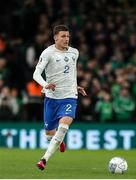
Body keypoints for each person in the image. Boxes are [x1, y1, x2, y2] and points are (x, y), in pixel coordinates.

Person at [33, 25, 87, 170]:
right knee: (49, 135)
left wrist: (74, 86)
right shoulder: (48, 53)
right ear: (55, 37)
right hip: (51, 98)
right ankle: (58, 140)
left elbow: (71, 73)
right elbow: (36, 74)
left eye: (68, 36)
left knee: (63, 127)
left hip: (69, 96)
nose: (66, 39)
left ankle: (44, 159)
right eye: (63, 36)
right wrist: (45, 85)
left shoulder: (74, 52)